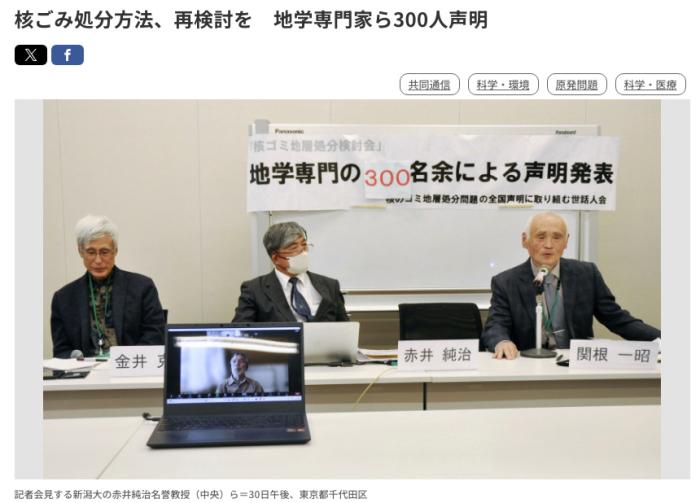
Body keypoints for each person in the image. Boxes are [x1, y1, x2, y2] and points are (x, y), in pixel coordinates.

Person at [481, 212, 660, 359]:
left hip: (576, 364)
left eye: (557, 237)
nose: (548, 245)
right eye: (541, 237)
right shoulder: (506, 282)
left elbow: (616, 318)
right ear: (524, 240)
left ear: (566, 241)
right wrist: (502, 341)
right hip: (529, 363)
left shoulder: (586, 274)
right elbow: (496, 324)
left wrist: (660, 339)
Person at [50, 215, 166, 358]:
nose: (98, 260)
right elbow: (61, 350)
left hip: (129, 367)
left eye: (104, 252)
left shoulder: (142, 288)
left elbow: (155, 337)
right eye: (91, 252)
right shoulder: (63, 298)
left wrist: (124, 362)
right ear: (80, 251)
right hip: (85, 371)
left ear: (115, 250)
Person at [233, 221, 349, 322]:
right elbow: (241, 331)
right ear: (276, 258)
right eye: (293, 248)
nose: (303, 252)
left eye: (304, 245)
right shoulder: (254, 290)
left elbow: (345, 328)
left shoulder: (330, 286)